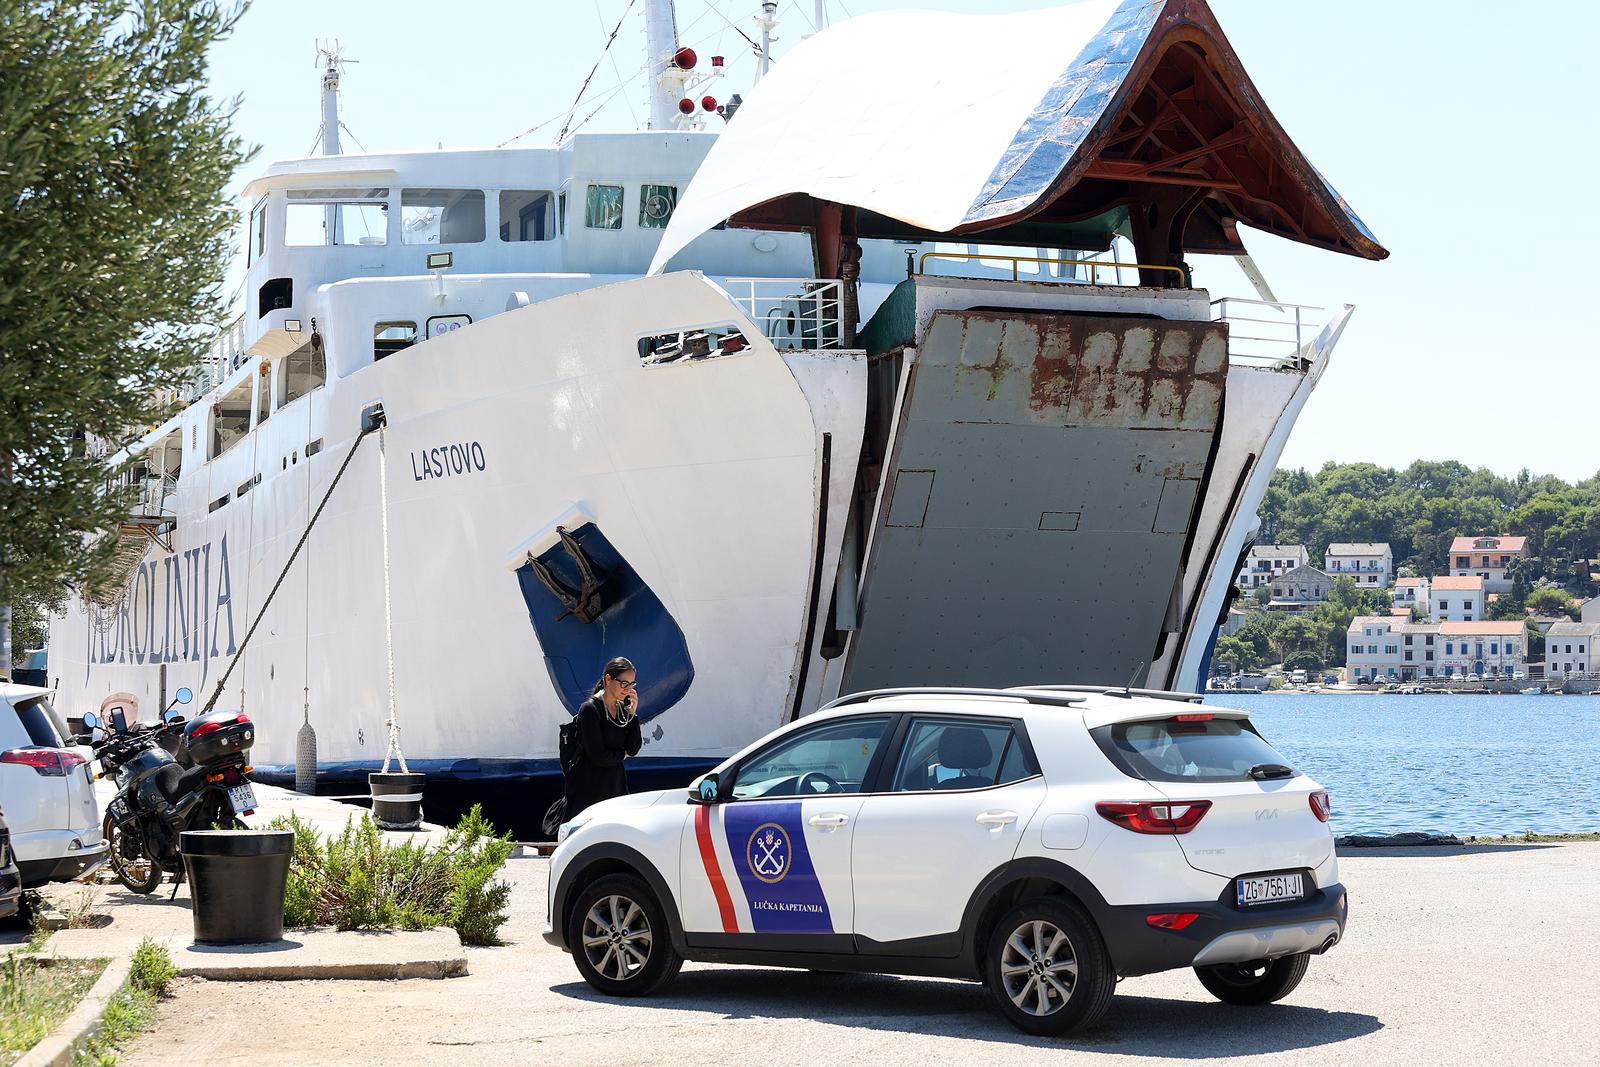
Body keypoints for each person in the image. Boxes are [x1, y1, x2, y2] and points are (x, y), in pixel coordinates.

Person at [563, 657, 642, 818]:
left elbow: (633, 748)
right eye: (624, 683)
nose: (628, 689)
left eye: (632, 684)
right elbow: (599, 756)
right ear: (608, 679)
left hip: (615, 785)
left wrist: (633, 715)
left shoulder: (622, 709)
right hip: (590, 788)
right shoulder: (590, 709)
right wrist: (622, 754)